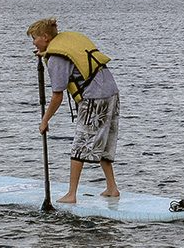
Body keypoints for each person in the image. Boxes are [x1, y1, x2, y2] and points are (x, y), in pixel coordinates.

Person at [28, 17, 120, 203]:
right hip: (111, 93)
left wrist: (45, 120)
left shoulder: (56, 58)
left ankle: (71, 194)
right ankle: (112, 188)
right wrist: (45, 54)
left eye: (34, 38)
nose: (33, 43)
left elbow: (57, 96)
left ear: (45, 37)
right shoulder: (63, 45)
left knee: (80, 145)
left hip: (94, 97)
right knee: (104, 142)